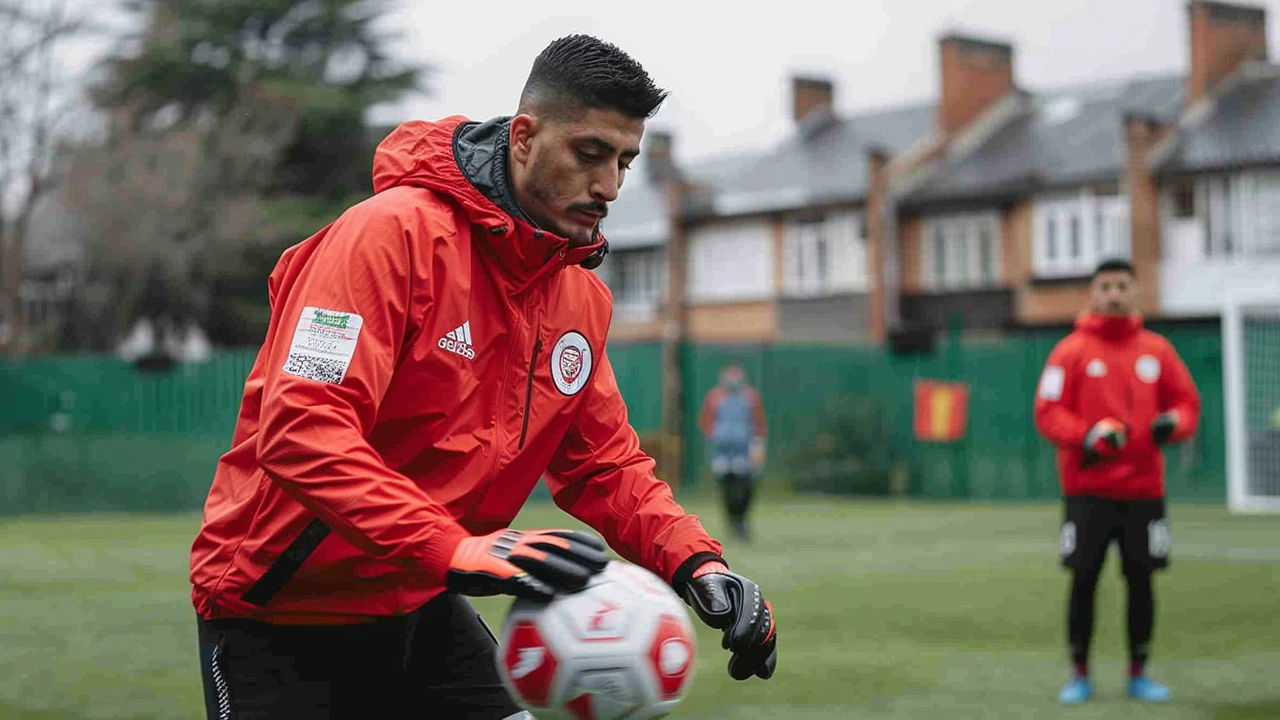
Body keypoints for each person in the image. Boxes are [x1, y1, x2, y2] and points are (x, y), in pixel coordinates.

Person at [188, 35, 776, 719]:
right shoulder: (386, 238)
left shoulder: (578, 297)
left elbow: (604, 465)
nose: (609, 186)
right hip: (285, 615)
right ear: (523, 136)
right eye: (589, 154)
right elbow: (301, 429)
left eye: (624, 161)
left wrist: (696, 563)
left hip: (423, 598)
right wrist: (450, 547)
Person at [1034, 258, 1201, 705]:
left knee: (1142, 581)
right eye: (1105, 286)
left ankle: (1139, 674)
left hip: (1144, 492)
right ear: (1092, 292)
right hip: (1087, 490)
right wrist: (1087, 434)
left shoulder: (1158, 351)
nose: (1113, 294)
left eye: (1122, 285)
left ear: (1134, 291)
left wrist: (1175, 423)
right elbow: (1047, 411)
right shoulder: (1069, 352)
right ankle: (1079, 674)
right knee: (1084, 579)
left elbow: (1187, 404)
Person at [699, 363, 768, 540]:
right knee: (726, 488)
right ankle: (732, 520)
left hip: (744, 452)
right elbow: (706, 422)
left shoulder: (751, 398)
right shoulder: (714, 398)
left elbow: (759, 424)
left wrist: (757, 449)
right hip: (723, 452)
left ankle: (742, 519)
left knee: (746, 486)